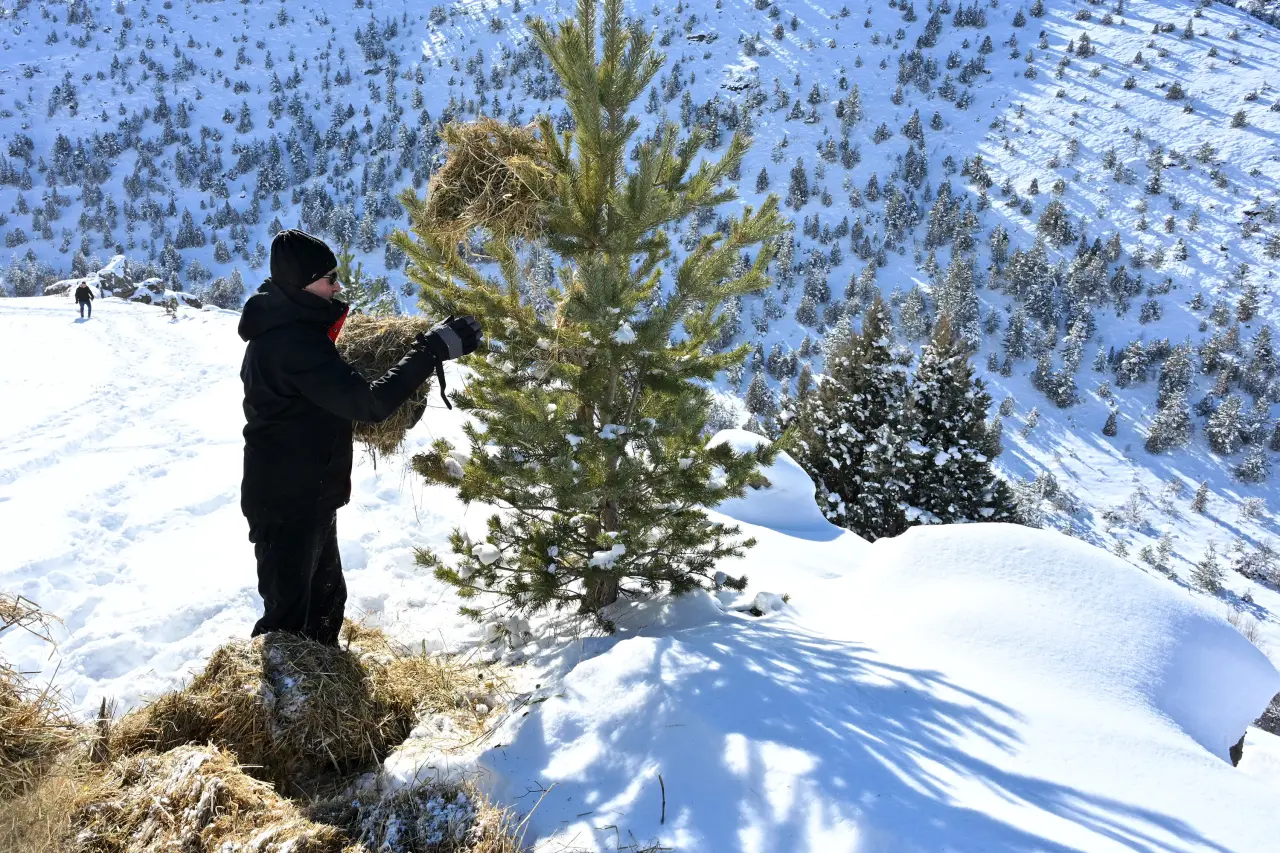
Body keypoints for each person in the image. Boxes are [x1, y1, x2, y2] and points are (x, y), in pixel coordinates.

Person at [237, 229, 481, 645]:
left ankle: (323, 693)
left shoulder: (294, 328)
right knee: (287, 621)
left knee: (326, 601)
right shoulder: (292, 344)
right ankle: (281, 701)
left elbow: (328, 399)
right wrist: (430, 351)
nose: (338, 286)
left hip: (309, 493)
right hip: (286, 502)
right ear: (302, 283)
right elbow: (369, 405)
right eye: (329, 278)